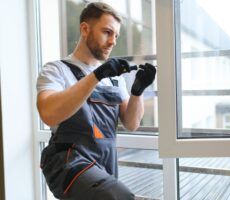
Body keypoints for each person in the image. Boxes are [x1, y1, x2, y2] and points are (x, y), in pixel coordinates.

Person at [36, 2, 156, 200]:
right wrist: (96, 76)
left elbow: (132, 123)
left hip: (104, 163)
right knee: (119, 196)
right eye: (107, 32)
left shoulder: (115, 79)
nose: (113, 41)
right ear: (85, 29)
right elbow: (48, 114)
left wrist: (138, 91)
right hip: (68, 162)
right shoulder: (56, 70)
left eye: (116, 35)